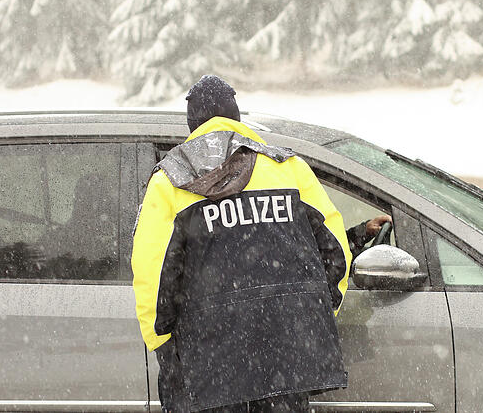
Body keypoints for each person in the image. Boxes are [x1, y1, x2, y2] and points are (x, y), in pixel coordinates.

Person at [132, 75, 353, 412]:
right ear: (237, 117)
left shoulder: (169, 183)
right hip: (285, 361)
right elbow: (336, 253)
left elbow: (153, 277)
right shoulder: (289, 168)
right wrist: (312, 314)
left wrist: (167, 347)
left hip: (207, 367)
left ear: (191, 124)